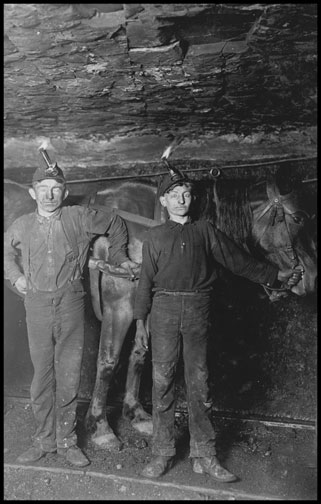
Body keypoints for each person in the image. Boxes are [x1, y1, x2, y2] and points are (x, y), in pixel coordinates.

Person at [133, 172, 302, 482]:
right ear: (163, 201)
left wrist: (274, 276)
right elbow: (145, 282)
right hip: (164, 311)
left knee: (200, 383)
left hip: (199, 309)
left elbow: (238, 261)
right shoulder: (154, 238)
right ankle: (161, 452)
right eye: (174, 195)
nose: (181, 199)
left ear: (191, 198)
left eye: (185, 194)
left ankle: (205, 454)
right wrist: (140, 322)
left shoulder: (205, 230)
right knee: (162, 382)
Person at [4, 154, 139, 467]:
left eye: (56, 189)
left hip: (70, 301)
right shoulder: (21, 225)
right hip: (36, 304)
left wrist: (118, 256)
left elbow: (115, 223)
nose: (49, 194)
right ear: (32, 192)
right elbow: (5, 252)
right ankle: (43, 440)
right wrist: (16, 276)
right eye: (43, 187)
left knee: (68, 375)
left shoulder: (79, 216)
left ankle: (66, 442)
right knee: (42, 376)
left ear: (64, 194)